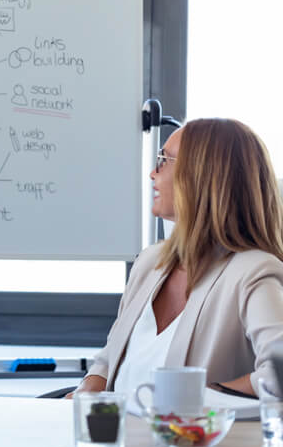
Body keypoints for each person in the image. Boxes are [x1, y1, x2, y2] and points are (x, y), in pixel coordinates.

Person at [72, 118, 283, 399]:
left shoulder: (253, 272)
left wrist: (195, 399)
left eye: (164, 160)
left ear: (202, 177)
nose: (152, 174)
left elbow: (278, 373)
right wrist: (84, 392)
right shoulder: (150, 262)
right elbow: (109, 359)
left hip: (191, 442)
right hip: (116, 439)